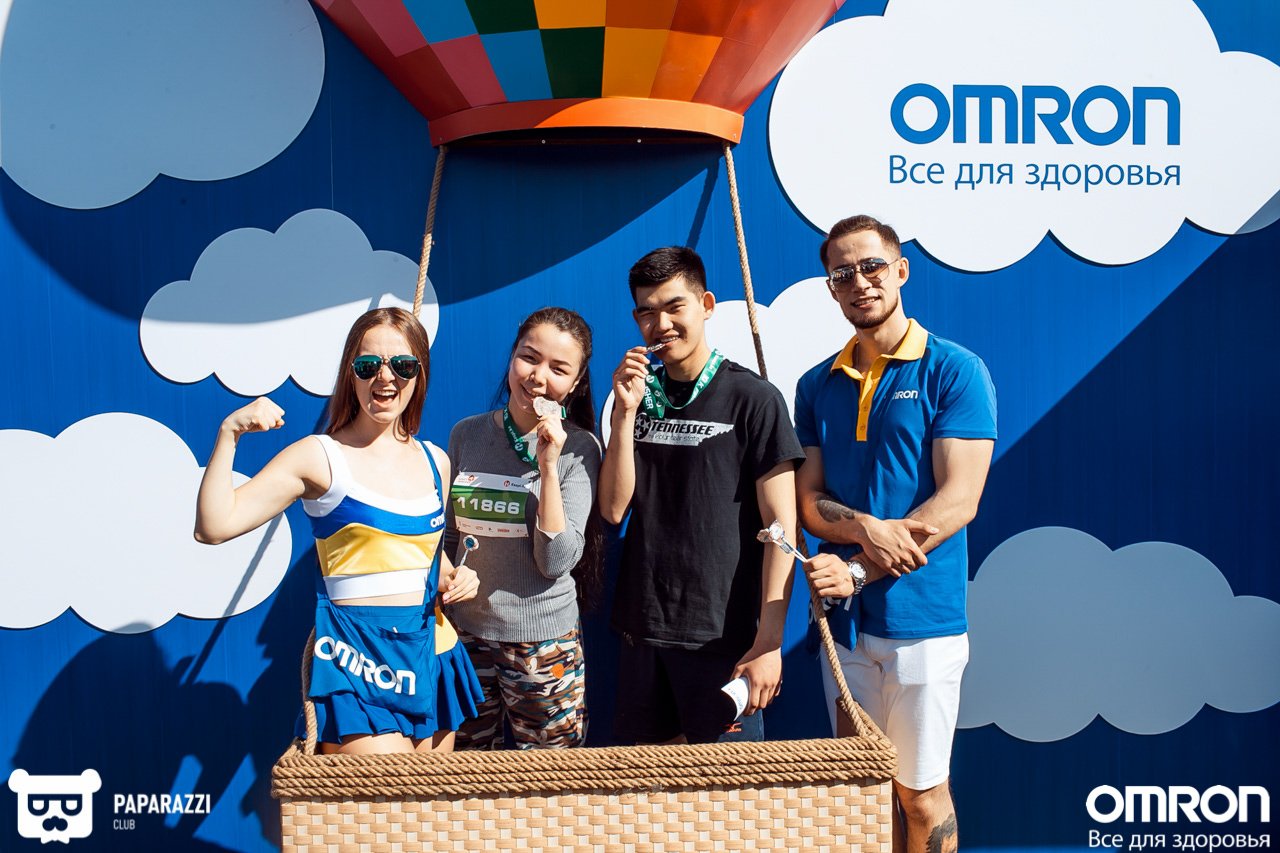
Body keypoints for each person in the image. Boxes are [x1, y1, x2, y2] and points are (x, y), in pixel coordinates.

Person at [793, 215, 996, 853]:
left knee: (920, 795)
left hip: (922, 623)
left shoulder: (954, 369)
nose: (860, 282)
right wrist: (862, 528)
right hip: (845, 627)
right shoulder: (816, 384)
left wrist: (858, 569)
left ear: (901, 270)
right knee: (863, 796)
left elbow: (958, 501)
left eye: (872, 266)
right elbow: (809, 502)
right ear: (831, 288)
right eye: (842, 274)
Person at [194, 307, 483, 754]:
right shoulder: (318, 456)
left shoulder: (435, 461)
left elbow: (421, 555)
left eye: (402, 365)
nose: (385, 377)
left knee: (429, 803)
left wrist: (456, 576)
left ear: (420, 373)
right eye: (368, 365)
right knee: (383, 801)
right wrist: (229, 433)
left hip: (433, 651)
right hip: (357, 660)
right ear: (351, 373)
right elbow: (214, 526)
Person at [599, 246, 805, 744]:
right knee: (644, 789)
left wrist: (768, 642)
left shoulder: (755, 399)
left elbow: (781, 528)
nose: (661, 324)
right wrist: (624, 415)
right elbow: (613, 509)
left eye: (675, 306)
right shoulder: (636, 398)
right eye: (647, 312)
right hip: (642, 632)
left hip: (722, 639)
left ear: (706, 305)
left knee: (728, 792)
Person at [443, 307, 603, 749]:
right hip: (466, 636)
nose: (537, 377)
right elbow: (451, 537)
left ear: (576, 382)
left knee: (551, 775)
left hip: (542, 644)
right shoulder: (466, 435)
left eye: (558, 369)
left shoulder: (580, 449)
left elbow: (555, 561)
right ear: (513, 355)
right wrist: (449, 575)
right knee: (465, 768)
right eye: (529, 357)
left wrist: (548, 466)